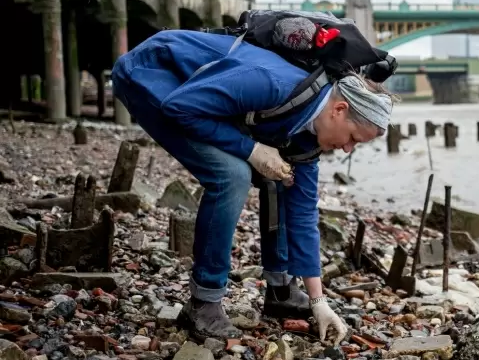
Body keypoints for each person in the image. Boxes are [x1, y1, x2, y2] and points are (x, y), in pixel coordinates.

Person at [111, 28, 397, 343]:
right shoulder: (273, 82)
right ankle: (204, 302)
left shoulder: (307, 140)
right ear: (339, 110)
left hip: (199, 98)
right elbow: (180, 107)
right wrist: (252, 150)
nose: (347, 150)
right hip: (153, 74)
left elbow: (302, 215)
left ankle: (282, 291)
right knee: (232, 174)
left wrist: (319, 302)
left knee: (280, 173)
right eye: (353, 139)